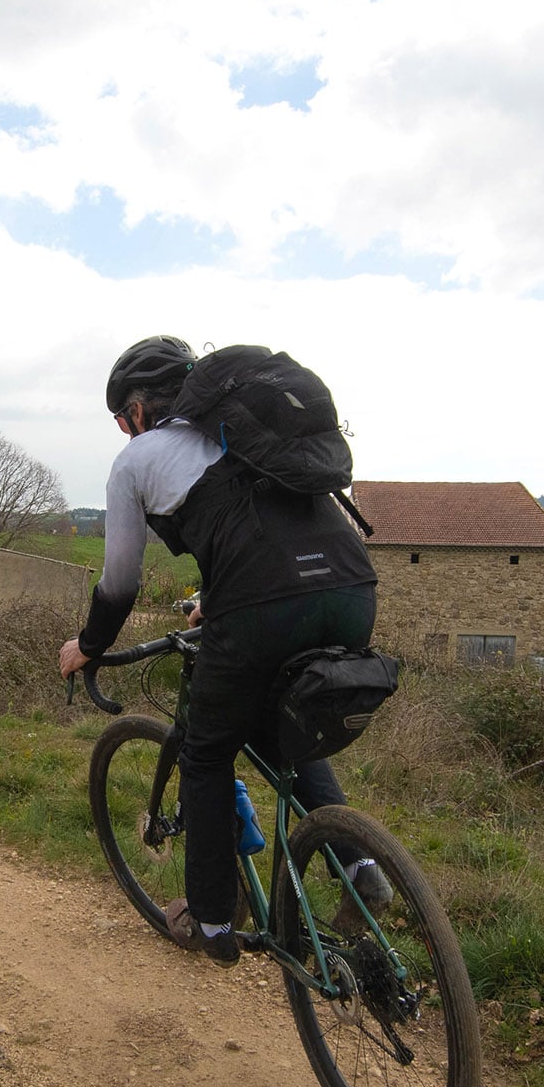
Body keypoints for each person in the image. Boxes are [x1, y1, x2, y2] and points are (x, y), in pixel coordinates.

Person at [57, 336, 389, 966]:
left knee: (207, 753)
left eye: (122, 417)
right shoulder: (252, 434)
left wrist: (88, 646)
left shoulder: (136, 462)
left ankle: (211, 922)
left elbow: (120, 583)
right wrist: (217, 593)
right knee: (277, 726)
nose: (125, 432)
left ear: (139, 408)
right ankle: (363, 867)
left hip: (262, 605)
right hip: (352, 589)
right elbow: (261, 524)